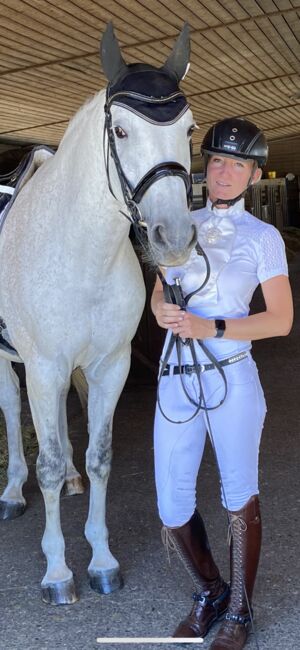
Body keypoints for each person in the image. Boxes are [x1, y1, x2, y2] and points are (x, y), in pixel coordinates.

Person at [151, 117, 293, 650]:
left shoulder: (264, 237)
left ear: (254, 174)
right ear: (204, 168)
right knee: (171, 501)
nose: (224, 171)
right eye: (216, 160)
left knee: (238, 494)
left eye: (237, 163)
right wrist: (162, 311)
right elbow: (159, 296)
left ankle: (240, 611)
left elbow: (280, 320)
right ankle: (210, 590)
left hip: (232, 376)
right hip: (175, 377)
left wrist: (215, 326)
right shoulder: (178, 223)